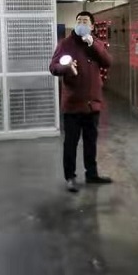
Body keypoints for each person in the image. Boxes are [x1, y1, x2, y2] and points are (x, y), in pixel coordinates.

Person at [50, 11, 113, 193]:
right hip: (73, 103)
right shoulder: (66, 44)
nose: (81, 23)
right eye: (79, 21)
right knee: (70, 143)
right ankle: (70, 177)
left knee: (90, 142)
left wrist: (93, 44)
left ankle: (92, 174)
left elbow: (107, 62)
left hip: (92, 103)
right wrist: (66, 67)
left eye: (85, 21)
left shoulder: (97, 43)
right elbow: (53, 67)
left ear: (92, 26)